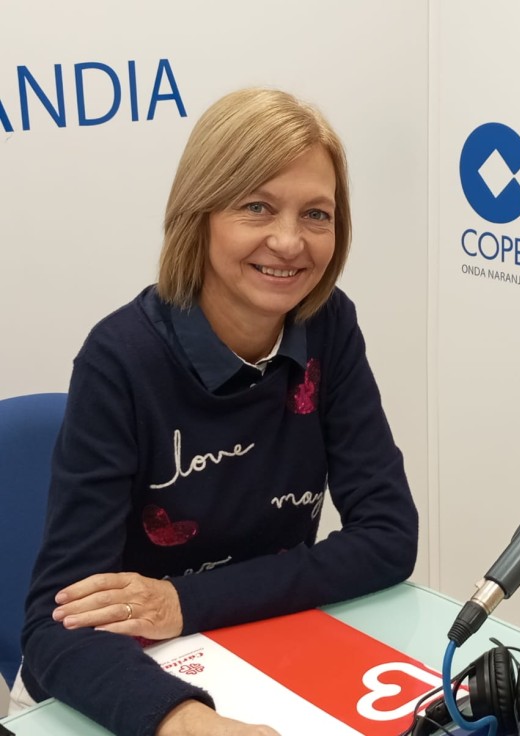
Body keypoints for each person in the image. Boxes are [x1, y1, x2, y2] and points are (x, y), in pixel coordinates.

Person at [14, 88, 419, 736]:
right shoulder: (120, 360)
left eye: (316, 214)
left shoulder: (329, 326)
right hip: (134, 682)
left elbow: (389, 539)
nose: (289, 241)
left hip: (261, 649)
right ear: (198, 214)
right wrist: (183, 722)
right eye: (256, 206)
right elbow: (54, 630)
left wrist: (183, 601)